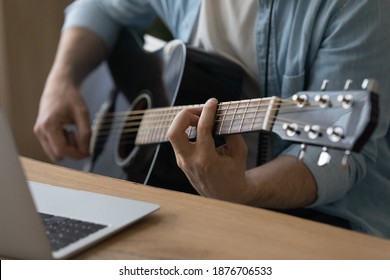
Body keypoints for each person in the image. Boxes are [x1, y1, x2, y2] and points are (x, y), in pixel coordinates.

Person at [34, 0, 390, 239]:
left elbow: (335, 157)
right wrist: (61, 79)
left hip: (321, 221)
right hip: (184, 196)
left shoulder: (354, 7)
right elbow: (98, 7)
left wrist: (243, 191)